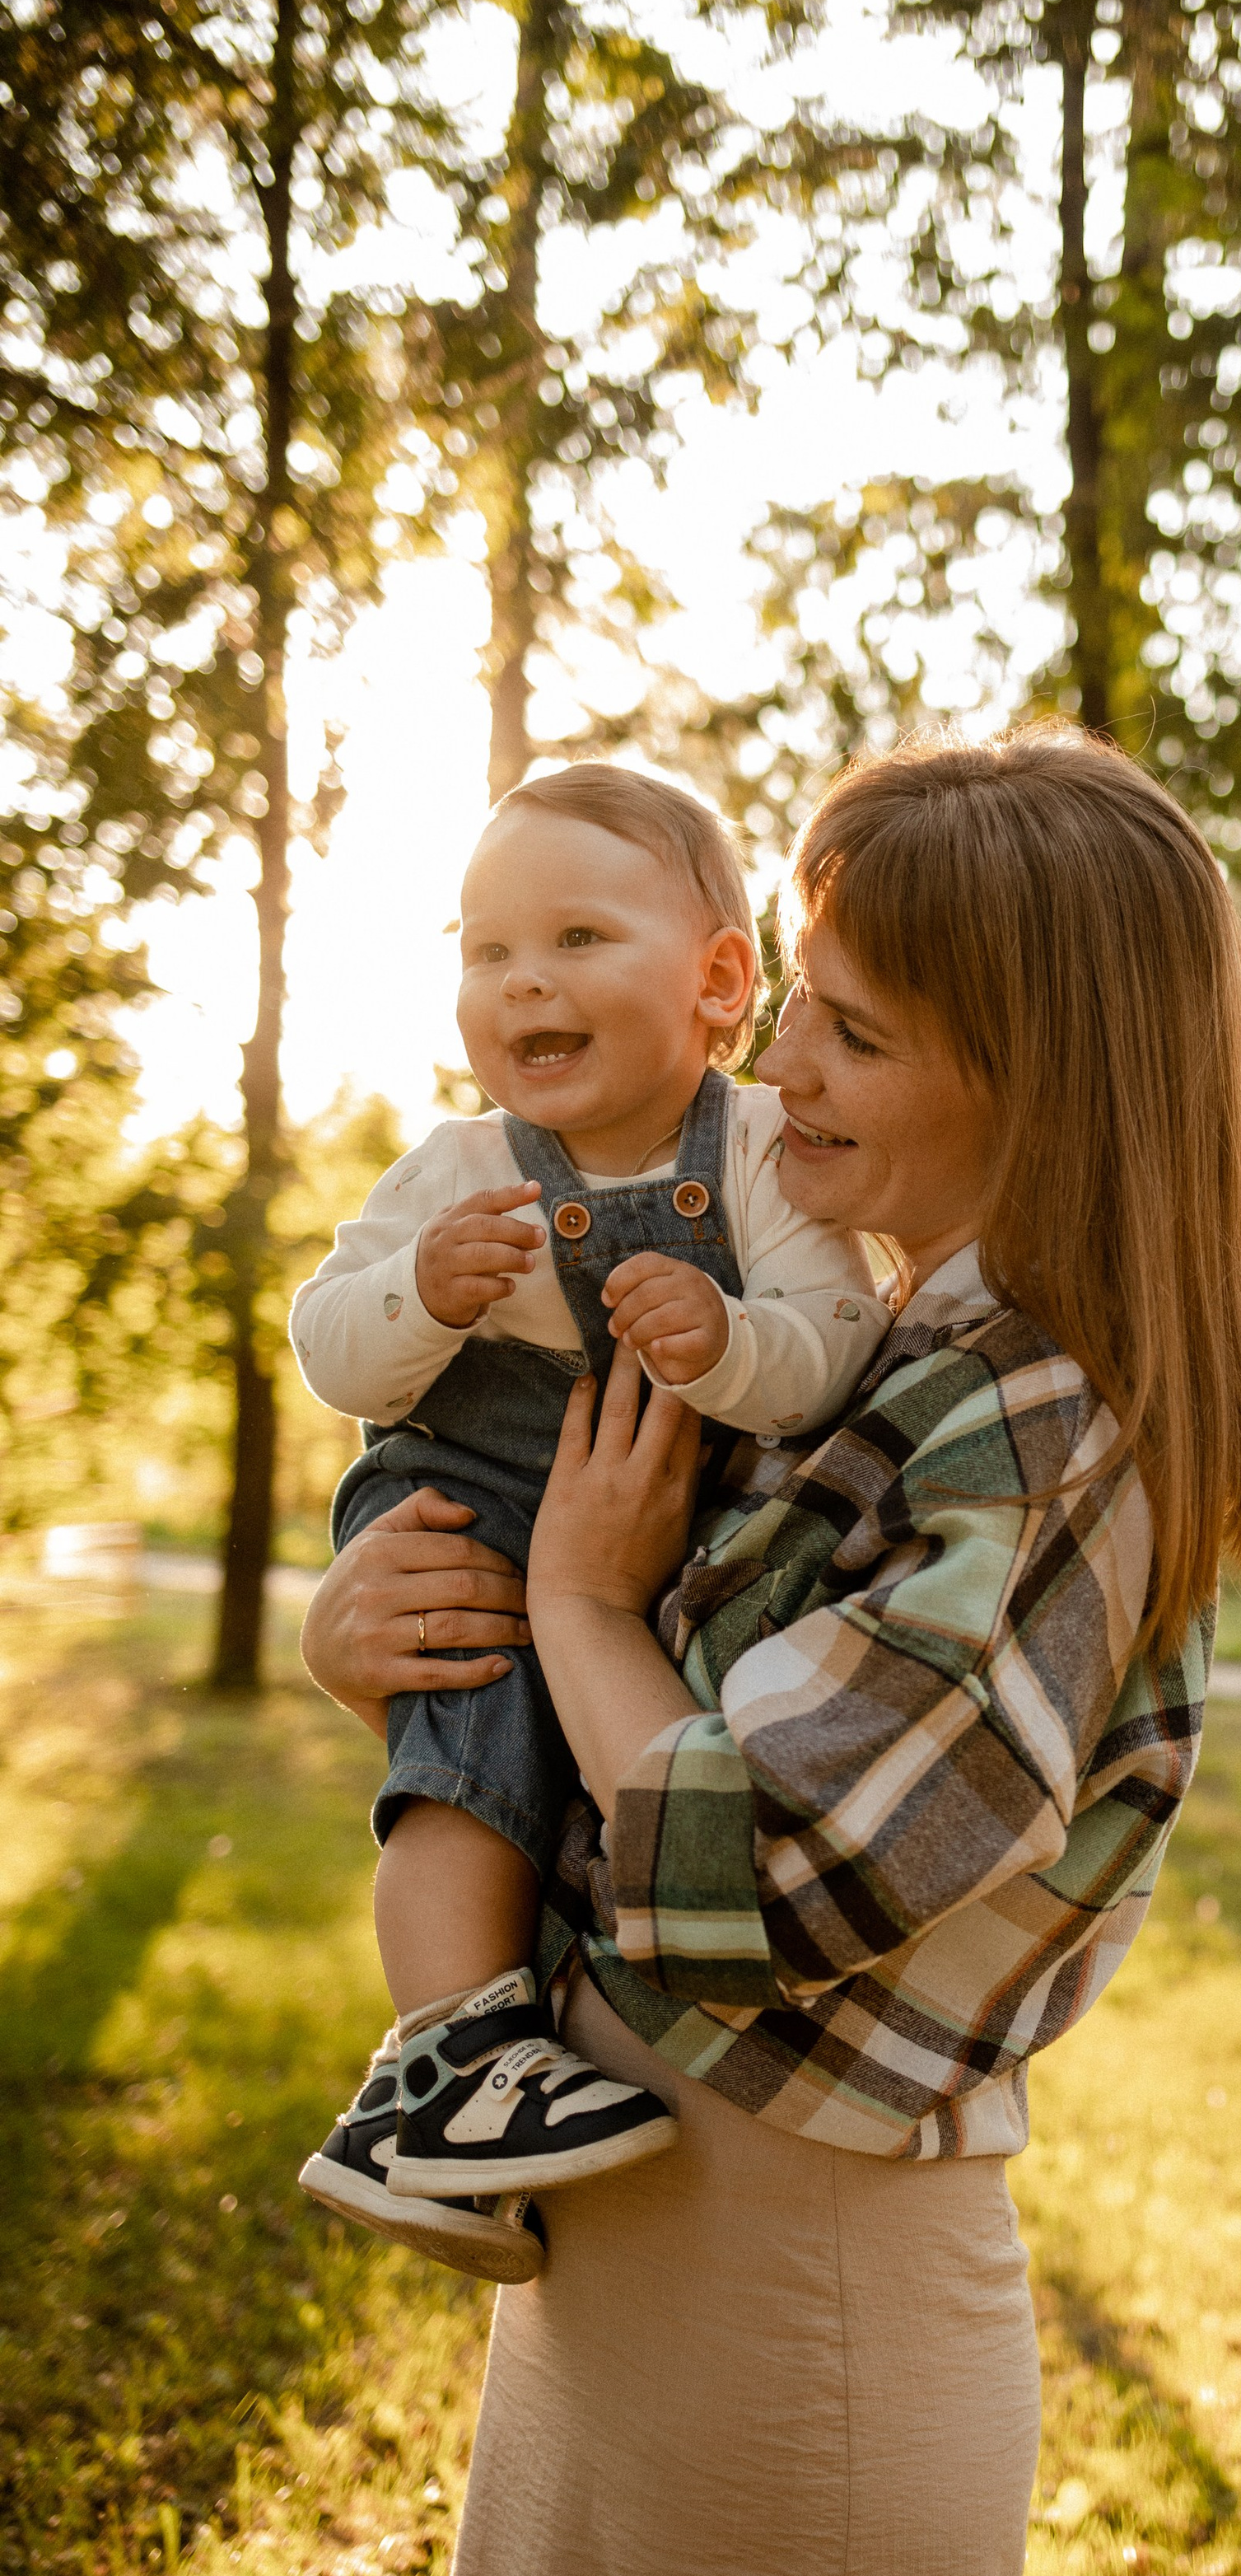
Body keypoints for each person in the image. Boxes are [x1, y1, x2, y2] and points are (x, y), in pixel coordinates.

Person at [300, 727, 1241, 2576]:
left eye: (846, 1027)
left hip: (797, 2275)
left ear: (1027, 1069)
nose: (780, 1069)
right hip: (643, 2220)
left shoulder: (1042, 1414)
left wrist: (561, 1606)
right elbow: (621, 1700)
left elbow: (770, 1877)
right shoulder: (864, 1354)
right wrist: (393, 1648)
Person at [290, 761, 884, 2282]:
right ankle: (449, 2048)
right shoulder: (457, 1169)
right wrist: (419, 1295)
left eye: (573, 941)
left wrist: (726, 1345)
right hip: (472, 1498)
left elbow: (833, 1338)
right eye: (484, 951)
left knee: (591, 1770)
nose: (519, 983)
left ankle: (435, 2133)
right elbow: (329, 1349)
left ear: (720, 981)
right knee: (468, 1751)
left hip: (656, 1515)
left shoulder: (758, 1153)